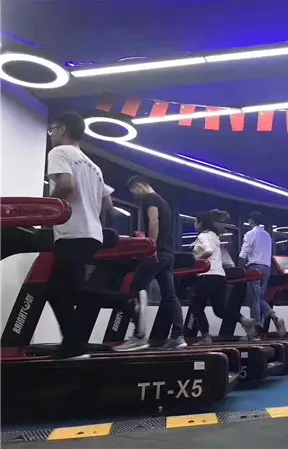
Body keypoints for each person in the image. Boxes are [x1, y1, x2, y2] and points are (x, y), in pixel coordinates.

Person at [46, 112, 114, 360]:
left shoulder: (59, 152)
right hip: (92, 234)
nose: (51, 135)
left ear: (62, 129)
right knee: (71, 290)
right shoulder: (93, 166)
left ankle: (123, 302)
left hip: (72, 232)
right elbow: (108, 204)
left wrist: (48, 210)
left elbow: (66, 185)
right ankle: (74, 345)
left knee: (56, 291)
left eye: (52, 129)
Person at [114, 176, 186, 351]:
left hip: (156, 253)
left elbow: (154, 221)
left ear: (139, 186)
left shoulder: (150, 198)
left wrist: (150, 247)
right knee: (170, 295)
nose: (133, 195)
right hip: (167, 254)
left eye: (133, 191)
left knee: (136, 290)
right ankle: (178, 336)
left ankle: (139, 337)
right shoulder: (163, 202)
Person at [190, 212, 257, 343]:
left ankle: (205, 337)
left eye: (195, 221)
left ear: (201, 223)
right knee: (220, 310)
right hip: (220, 277)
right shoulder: (214, 236)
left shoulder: (203, 236)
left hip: (206, 276)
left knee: (196, 307)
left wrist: (196, 261)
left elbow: (208, 251)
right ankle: (244, 320)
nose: (194, 224)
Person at [239, 211, 286, 337]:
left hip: (255, 268)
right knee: (259, 299)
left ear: (251, 220)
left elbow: (243, 253)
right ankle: (275, 318)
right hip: (266, 268)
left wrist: (239, 269)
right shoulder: (267, 235)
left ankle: (255, 330)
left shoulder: (251, 233)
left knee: (254, 300)